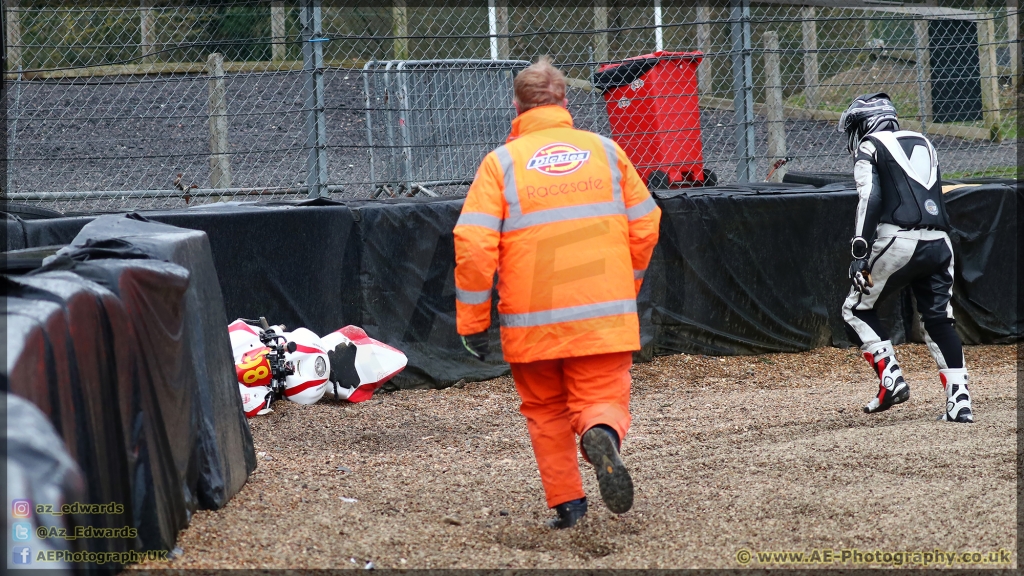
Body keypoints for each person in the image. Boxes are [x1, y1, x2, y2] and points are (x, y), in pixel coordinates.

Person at [453, 56, 661, 528]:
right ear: (566, 101)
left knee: (544, 410)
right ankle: (599, 431)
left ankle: (569, 506)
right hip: (602, 315)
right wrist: (625, 285)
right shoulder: (607, 151)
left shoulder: (499, 165)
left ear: (516, 106)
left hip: (531, 320)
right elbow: (647, 223)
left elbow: (473, 244)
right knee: (601, 395)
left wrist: (472, 321)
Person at [838, 92, 972, 423]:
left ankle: (891, 378)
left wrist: (859, 250)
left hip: (899, 240)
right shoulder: (924, 141)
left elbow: (870, 196)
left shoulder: (871, 146)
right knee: (939, 320)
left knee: (856, 308)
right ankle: (960, 403)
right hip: (941, 243)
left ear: (866, 124)